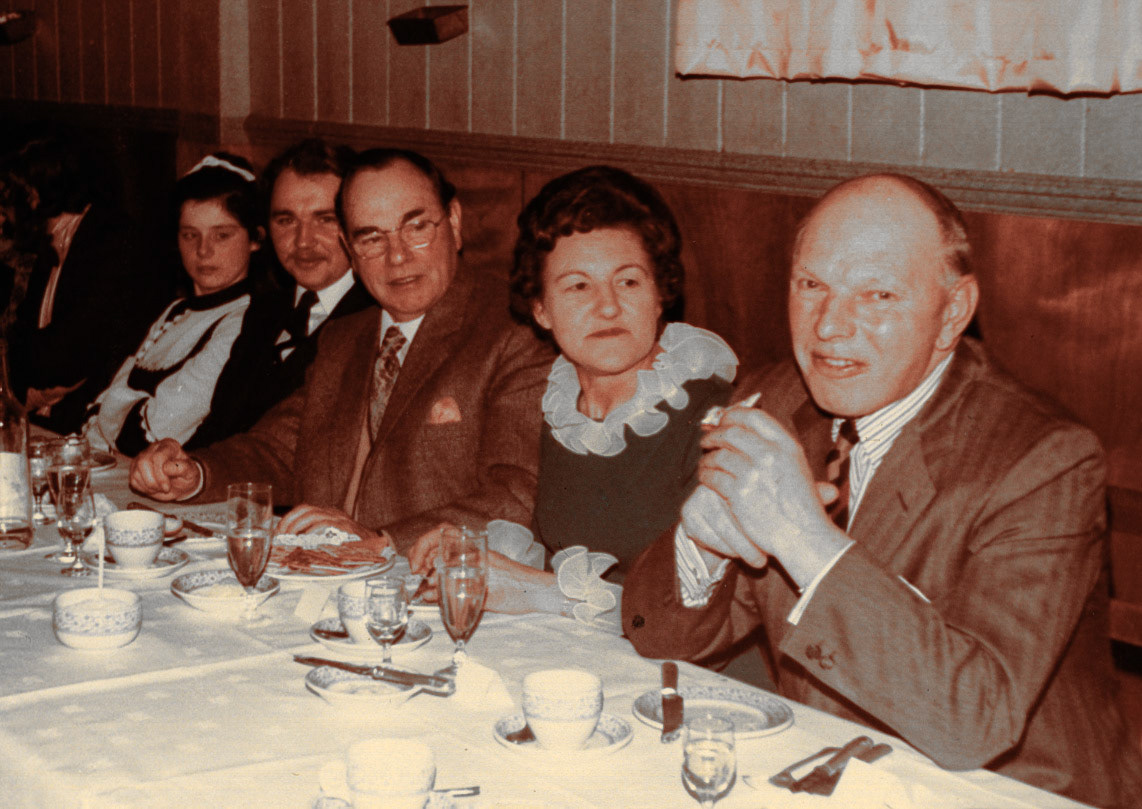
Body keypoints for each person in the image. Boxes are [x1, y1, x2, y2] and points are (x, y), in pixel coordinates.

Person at [620, 173, 1142, 808]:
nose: (830, 327)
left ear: (953, 311)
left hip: (1009, 791)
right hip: (831, 772)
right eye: (812, 286)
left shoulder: (1043, 461)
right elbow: (659, 638)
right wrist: (700, 549)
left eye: (878, 295)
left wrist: (802, 538)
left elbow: (973, 719)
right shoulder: (780, 401)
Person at [127, 148, 553, 553]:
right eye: (371, 238)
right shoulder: (345, 337)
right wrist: (193, 474)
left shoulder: (513, 332)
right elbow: (277, 450)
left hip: (432, 590)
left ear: (455, 222)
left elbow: (516, 494)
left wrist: (382, 541)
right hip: (320, 581)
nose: (398, 256)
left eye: (417, 227)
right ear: (350, 250)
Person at [407, 166, 737, 624]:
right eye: (579, 286)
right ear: (540, 309)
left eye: (628, 281)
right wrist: (470, 546)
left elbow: (690, 616)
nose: (607, 306)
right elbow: (557, 557)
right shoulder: (561, 407)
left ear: (660, 295)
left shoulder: (714, 420)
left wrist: (531, 589)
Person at [82, 153, 265, 456]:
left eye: (222, 235)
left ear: (255, 239)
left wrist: (116, 407)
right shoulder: (175, 310)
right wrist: (123, 407)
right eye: (190, 235)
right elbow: (95, 412)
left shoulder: (243, 321)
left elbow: (147, 436)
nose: (203, 251)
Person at [193, 138, 373, 443]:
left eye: (325, 219)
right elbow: (221, 424)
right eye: (286, 220)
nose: (303, 241)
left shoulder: (373, 317)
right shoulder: (265, 308)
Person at [1, 136, 171, 433]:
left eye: (10, 198)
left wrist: (21, 376)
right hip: (46, 411)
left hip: (92, 421)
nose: (4, 214)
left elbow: (65, 356)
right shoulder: (50, 239)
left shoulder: (112, 241)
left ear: (35, 195)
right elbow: (20, 339)